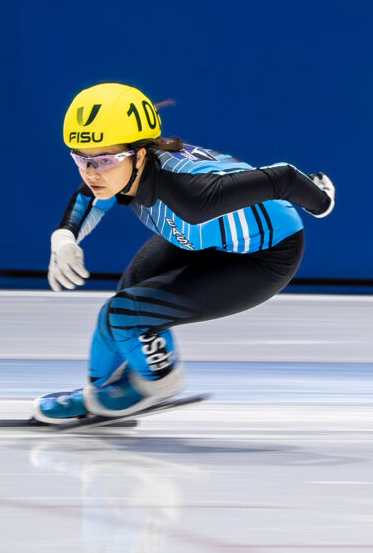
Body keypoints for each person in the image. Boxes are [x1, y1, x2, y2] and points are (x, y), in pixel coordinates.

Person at [35, 82, 334, 423]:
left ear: (140, 155)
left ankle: (158, 383)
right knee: (124, 302)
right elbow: (90, 197)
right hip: (199, 236)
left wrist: (321, 201)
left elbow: (284, 177)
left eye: (104, 159)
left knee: (125, 314)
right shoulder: (126, 171)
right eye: (80, 159)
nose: (91, 172)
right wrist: (64, 237)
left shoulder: (192, 195)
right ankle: (100, 394)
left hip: (264, 255)